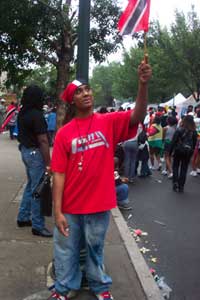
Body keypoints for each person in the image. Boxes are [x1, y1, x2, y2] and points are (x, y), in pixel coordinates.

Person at [49, 59, 152, 300]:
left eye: (87, 89)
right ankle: (64, 288)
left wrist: (143, 84)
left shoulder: (108, 122)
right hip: (70, 206)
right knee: (66, 251)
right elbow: (59, 173)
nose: (86, 93)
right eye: (79, 92)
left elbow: (137, 115)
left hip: (99, 204)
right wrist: (57, 211)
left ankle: (100, 288)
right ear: (72, 101)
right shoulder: (65, 133)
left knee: (95, 250)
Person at [17, 85, 52, 237]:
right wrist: (49, 163)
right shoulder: (37, 115)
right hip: (35, 153)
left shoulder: (22, 113)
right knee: (38, 190)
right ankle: (38, 226)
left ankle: (23, 217)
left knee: (31, 185)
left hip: (25, 151)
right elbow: (43, 140)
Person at [170, 115, 197, 192]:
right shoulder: (194, 132)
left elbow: (173, 141)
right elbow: (194, 144)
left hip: (178, 150)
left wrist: (170, 151)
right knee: (184, 168)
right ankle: (181, 185)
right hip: (188, 152)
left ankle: (175, 182)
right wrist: (191, 153)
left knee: (175, 166)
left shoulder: (179, 129)